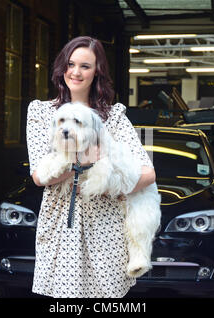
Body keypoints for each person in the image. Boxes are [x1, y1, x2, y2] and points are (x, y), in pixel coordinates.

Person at [26, 36, 156, 298]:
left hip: (106, 226)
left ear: (97, 71)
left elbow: (148, 173)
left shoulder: (114, 117)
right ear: (62, 67)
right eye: (70, 64)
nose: (76, 72)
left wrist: (112, 182)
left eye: (85, 66)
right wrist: (84, 162)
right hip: (60, 224)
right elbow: (40, 176)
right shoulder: (41, 112)